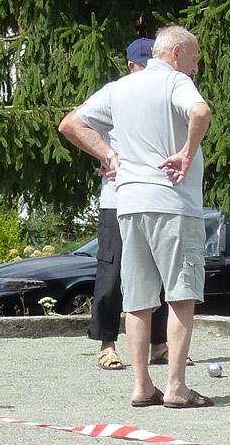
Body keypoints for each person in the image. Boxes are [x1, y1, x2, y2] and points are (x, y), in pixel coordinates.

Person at [58, 26, 214, 408]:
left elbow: (70, 123)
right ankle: (176, 387)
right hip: (172, 203)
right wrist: (187, 153)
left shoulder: (120, 87)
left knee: (138, 300)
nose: (195, 68)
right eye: (194, 58)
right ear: (177, 53)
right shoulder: (175, 82)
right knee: (180, 295)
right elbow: (201, 111)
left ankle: (142, 386)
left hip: (129, 204)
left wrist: (108, 156)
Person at [86, 38, 169, 371]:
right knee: (113, 271)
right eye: (145, 67)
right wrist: (106, 154)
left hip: (154, 196)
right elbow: (76, 123)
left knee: (159, 273)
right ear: (132, 67)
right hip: (117, 199)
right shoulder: (116, 93)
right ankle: (107, 344)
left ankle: (159, 345)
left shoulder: (161, 97)